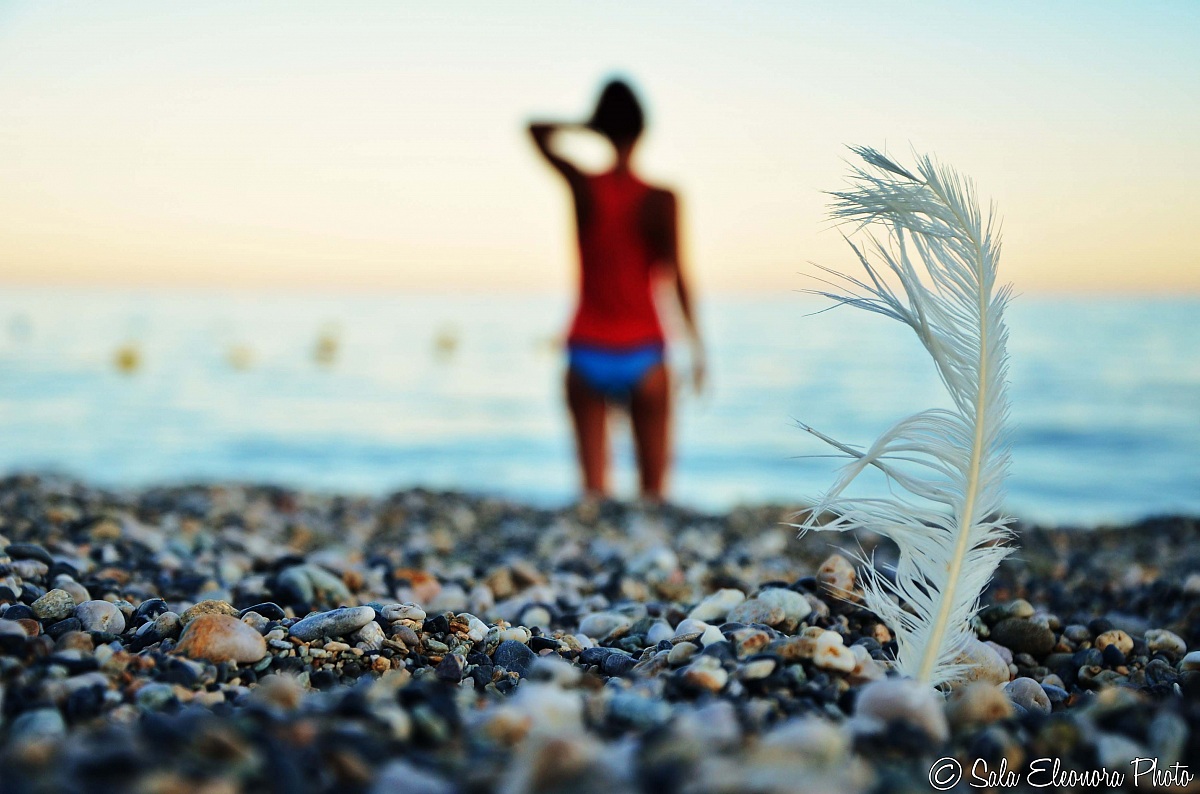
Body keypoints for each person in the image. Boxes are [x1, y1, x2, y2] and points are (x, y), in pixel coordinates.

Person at [529, 78, 705, 503]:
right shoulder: (661, 198)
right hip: (644, 350)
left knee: (593, 497)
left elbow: (535, 131)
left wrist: (586, 126)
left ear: (602, 128)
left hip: (587, 348)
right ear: (643, 130)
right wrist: (697, 346)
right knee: (654, 497)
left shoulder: (585, 187)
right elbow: (677, 275)